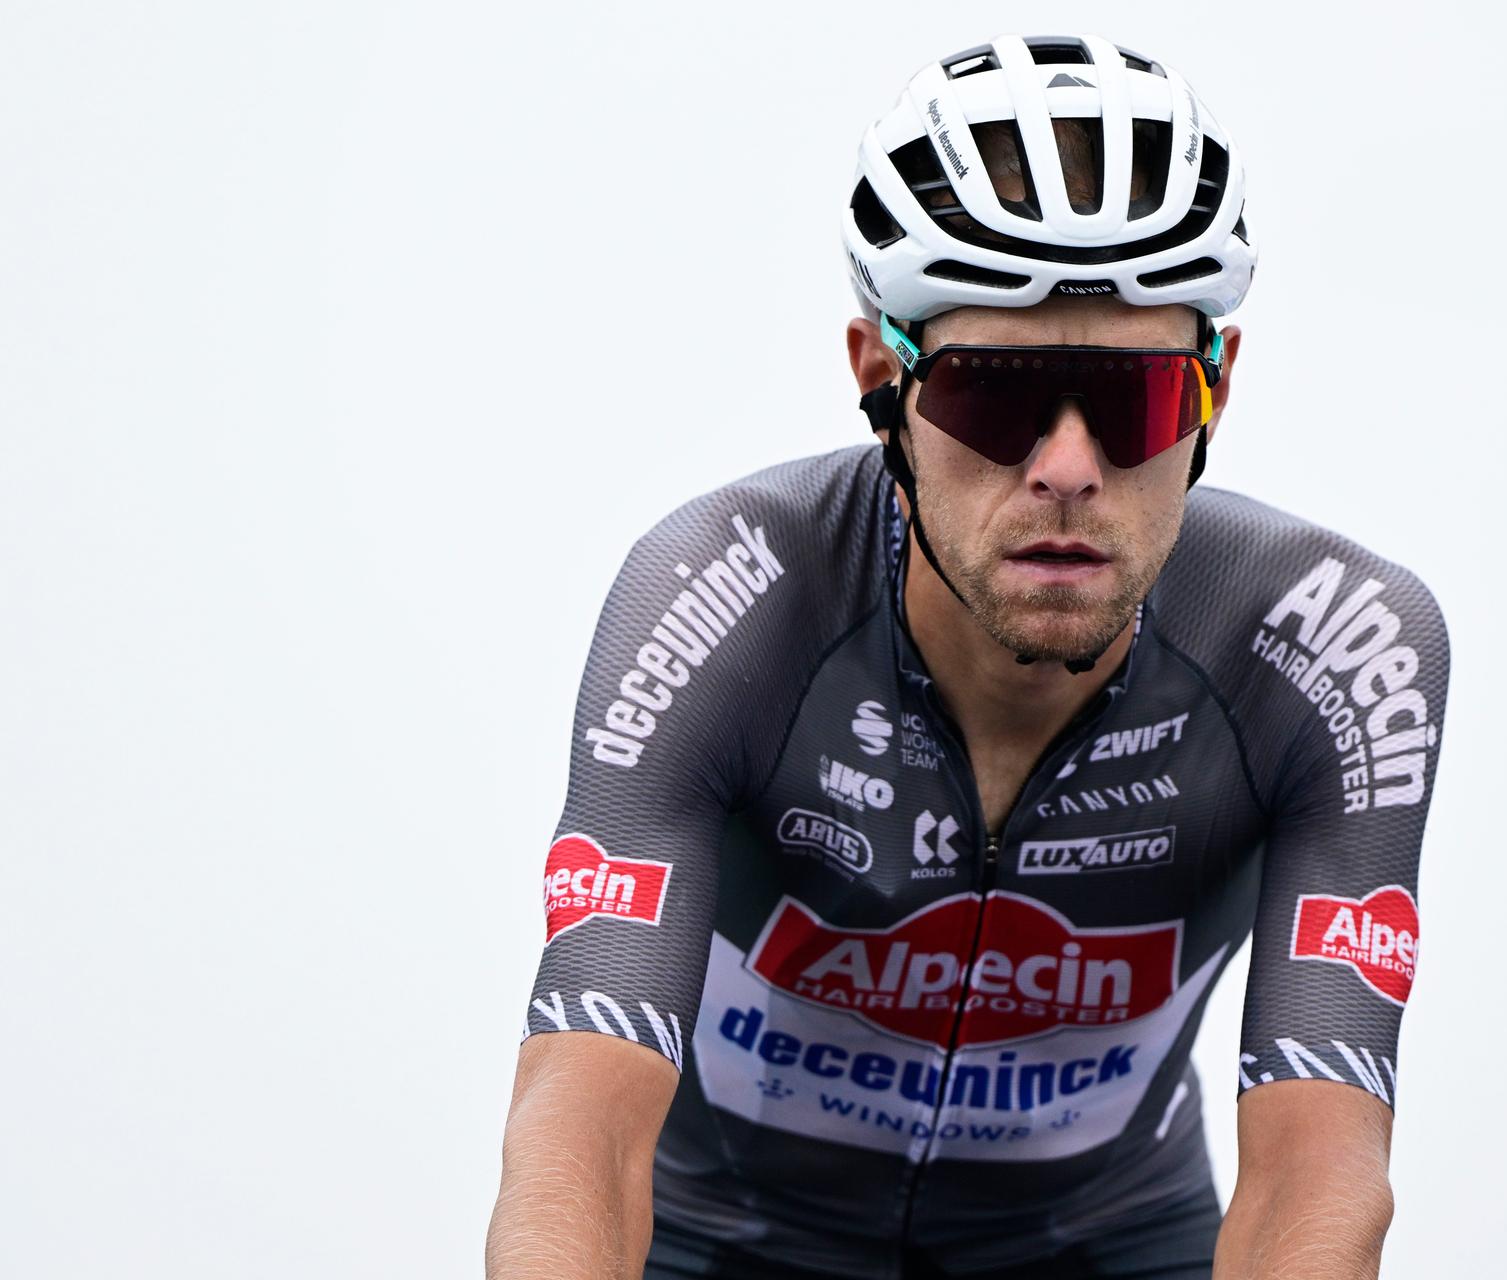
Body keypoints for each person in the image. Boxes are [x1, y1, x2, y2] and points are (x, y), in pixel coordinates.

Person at [487, 33, 1448, 1280]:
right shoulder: (719, 595)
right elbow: (579, 1127)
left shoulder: (1327, 643)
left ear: (1217, 392)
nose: (1065, 465)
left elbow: (1319, 1176)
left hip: (1104, 1250)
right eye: (995, 393)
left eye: (1137, 400)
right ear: (881, 379)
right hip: (726, 1251)